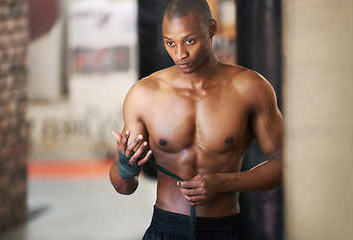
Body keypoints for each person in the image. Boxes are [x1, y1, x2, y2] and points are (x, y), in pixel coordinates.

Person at [109, 0, 283, 239]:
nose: (180, 55)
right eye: (170, 43)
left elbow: (285, 164)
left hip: (225, 230)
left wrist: (224, 183)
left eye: (189, 40)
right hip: (165, 228)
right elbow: (124, 187)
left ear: (211, 29)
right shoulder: (144, 95)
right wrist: (125, 168)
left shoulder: (250, 88)